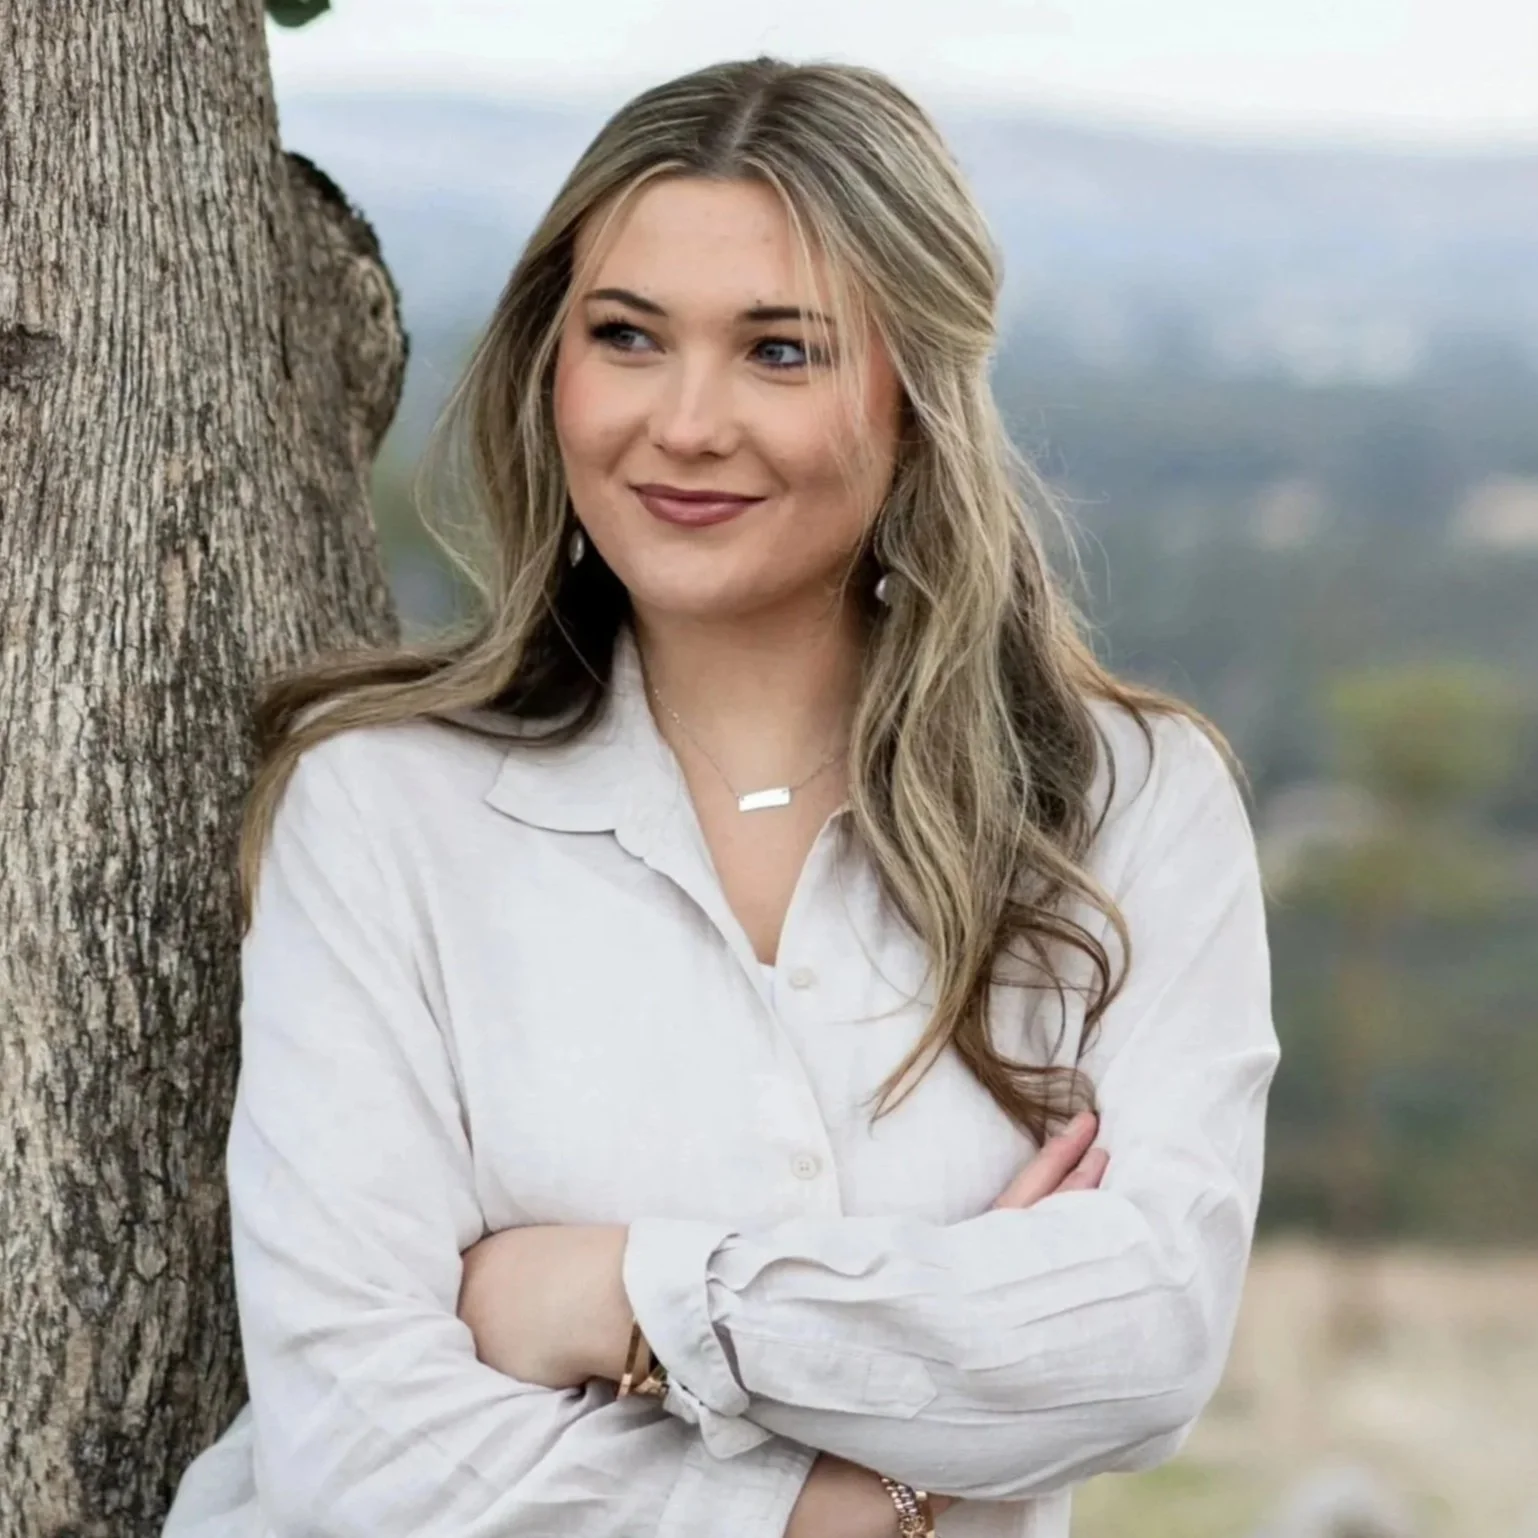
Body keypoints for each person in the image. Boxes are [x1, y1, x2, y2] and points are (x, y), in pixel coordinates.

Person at [162, 55, 1279, 1538]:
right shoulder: (383, 810)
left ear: (916, 390)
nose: (683, 423)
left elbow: (1143, 1341)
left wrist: (615, 1288)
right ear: (551, 363)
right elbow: (363, 1453)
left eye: (779, 351)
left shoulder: (1124, 807)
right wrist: (866, 1489)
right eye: (627, 336)